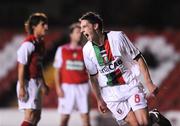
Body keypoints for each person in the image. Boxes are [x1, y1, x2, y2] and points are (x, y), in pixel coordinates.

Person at [79, 11, 167, 126]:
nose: (82, 30)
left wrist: (149, 83)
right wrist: (99, 99)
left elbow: (138, 57)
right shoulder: (86, 50)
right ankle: (152, 116)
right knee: (135, 125)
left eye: (84, 26)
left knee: (143, 123)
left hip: (130, 85)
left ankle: (153, 116)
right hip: (110, 93)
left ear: (95, 26)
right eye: (81, 28)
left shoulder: (117, 37)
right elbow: (93, 77)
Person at [53, 22, 91, 126]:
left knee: (85, 118)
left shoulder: (85, 50)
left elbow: (90, 70)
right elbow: (57, 70)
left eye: (81, 32)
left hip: (82, 87)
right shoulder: (62, 49)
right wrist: (58, 88)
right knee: (64, 118)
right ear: (71, 35)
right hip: (67, 88)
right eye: (77, 32)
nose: (80, 34)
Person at [17, 12, 49, 126]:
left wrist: (43, 83)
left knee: (36, 117)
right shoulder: (28, 44)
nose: (46, 27)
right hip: (28, 82)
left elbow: (39, 66)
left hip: (36, 82)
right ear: (34, 27)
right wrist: (21, 87)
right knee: (30, 116)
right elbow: (21, 66)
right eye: (43, 24)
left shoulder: (40, 44)